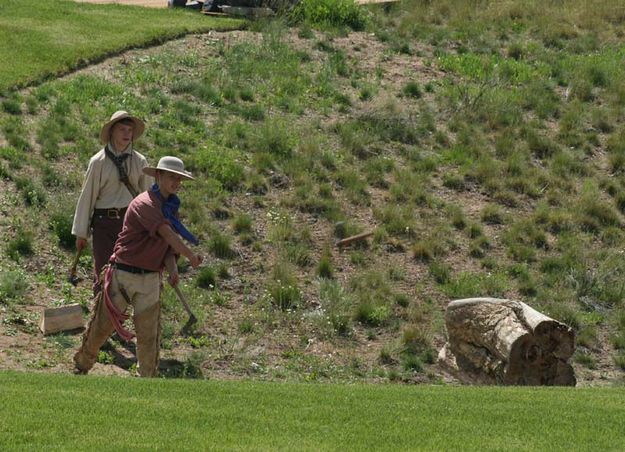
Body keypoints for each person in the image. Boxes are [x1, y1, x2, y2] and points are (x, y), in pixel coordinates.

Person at [73, 156, 203, 377]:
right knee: (101, 328)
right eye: (172, 177)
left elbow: (167, 248)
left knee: (149, 336)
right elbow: (167, 233)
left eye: (179, 179)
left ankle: (148, 380)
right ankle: (82, 365)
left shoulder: (170, 208)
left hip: (150, 278)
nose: (176, 183)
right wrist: (190, 255)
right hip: (124, 274)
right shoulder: (145, 203)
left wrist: (172, 269)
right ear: (159, 176)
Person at [72, 110, 152, 294]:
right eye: (122, 129)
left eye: (130, 130)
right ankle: (100, 319)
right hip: (104, 225)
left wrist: (150, 228)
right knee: (103, 272)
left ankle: (119, 318)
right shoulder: (98, 162)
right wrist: (81, 233)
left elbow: (147, 198)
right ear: (112, 133)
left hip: (131, 225)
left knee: (128, 274)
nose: (126, 134)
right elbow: (87, 197)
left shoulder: (140, 162)